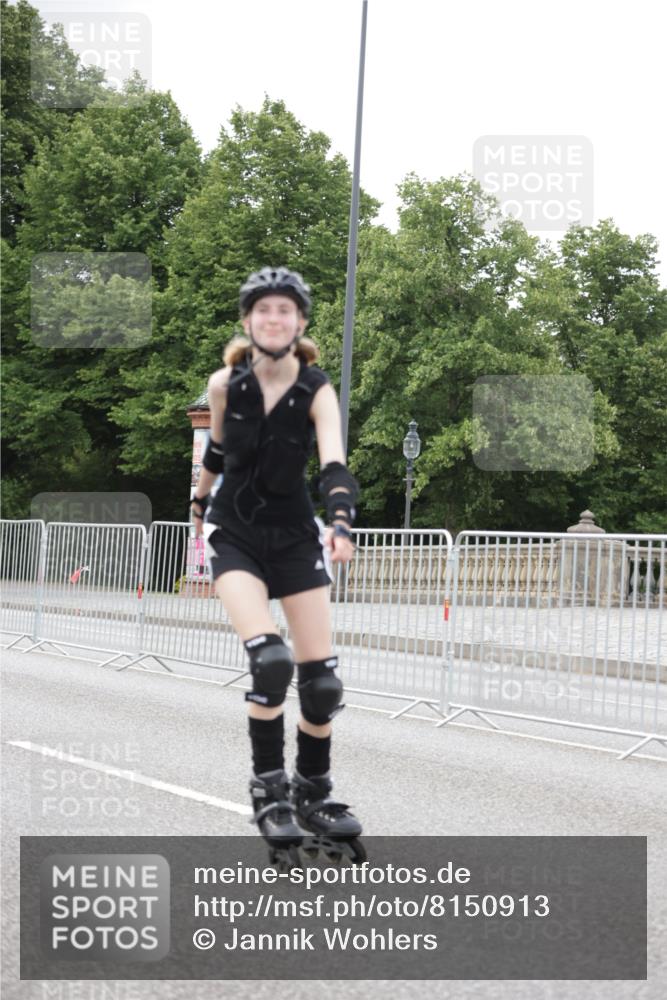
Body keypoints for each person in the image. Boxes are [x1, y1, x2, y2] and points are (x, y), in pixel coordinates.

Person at [190, 266, 363, 859]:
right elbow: (216, 447)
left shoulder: (316, 388)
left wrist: (340, 522)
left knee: (321, 685)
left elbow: (334, 464)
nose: (273, 318)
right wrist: (198, 498)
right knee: (271, 662)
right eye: (263, 309)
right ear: (247, 320)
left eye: (285, 310)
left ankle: (312, 789)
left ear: (301, 322)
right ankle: (269, 789)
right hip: (235, 530)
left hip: (294, 533)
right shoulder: (223, 384)